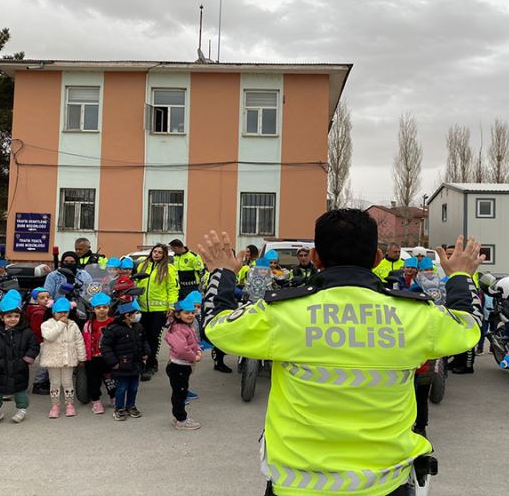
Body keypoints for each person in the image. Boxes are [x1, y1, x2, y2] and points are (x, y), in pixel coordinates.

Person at [198, 208, 484, 496]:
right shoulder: (416, 315)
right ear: (377, 259)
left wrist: (222, 272)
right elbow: (469, 327)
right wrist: (460, 275)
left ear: (315, 258)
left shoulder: (282, 313)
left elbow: (215, 326)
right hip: (385, 485)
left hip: (296, 486)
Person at [0, 290, 40, 424]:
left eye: (16, 316)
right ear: (2, 318)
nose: (12, 319)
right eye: (8, 316)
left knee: (20, 391)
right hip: (0, 368)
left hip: (19, 367)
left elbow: (34, 346)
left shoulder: (27, 332)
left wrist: (27, 358)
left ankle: (22, 410)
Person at [101, 300, 149, 421]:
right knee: (121, 388)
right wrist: (113, 362)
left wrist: (146, 353)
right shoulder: (113, 329)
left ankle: (131, 406)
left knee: (134, 387)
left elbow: (144, 341)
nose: (138, 315)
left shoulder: (138, 327)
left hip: (136, 364)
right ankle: (119, 408)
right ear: (127, 315)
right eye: (136, 313)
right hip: (121, 365)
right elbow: (106, 347)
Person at [136, 244, 179, 381]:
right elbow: (136, 284)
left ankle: (151, 364)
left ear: (164, 255)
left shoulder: (169, 269)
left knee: (153, 337)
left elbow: (172, 288)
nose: (156, 254)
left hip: (159, 310)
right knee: (142, 337)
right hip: (142, 308)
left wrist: (171, 307)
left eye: (160, 252)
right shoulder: (143, 265)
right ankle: (141, 363)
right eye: (155, 251)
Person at [40, 298, 86, 418]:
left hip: (68, 359)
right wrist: (61, 324)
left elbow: (79, 342)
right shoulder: (46, 324)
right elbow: (49, 336)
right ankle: (55, 405)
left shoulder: (73, 325)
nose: (63, 314)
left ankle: (69, 404)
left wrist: (82, 358)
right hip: (53, 360)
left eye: (65, 312)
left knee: (67, 382)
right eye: (59, 312)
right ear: (53, 312)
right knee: (54, 383)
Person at [164, 294, 203, 430]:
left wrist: (197, 350)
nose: (191, 315)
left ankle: (178, 417)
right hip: (178, 366)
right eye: (186, 313)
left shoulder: (186, 326)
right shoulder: (179, 329)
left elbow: (193, 342)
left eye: (192, 312)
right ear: (178, 314)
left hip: (182, 365)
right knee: (180, 394)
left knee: (180, 392)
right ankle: (181, 419)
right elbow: (181, 349)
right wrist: (194, 357)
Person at [83, 292, 115, 414]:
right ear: (93, 309)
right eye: (98, 308)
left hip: (109, 358)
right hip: (93, 358)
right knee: (93, 381)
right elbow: (85, 341)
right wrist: (84, 357)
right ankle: (96, 401)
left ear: (108, 308)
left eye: (104, 307)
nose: (102, 310)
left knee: (111, 379)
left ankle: (114, 397)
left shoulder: (113, 323)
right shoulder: (89, 325)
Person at [27, 287, 51, 395]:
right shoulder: (39, 313)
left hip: (40, 340)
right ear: (36, 300)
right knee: (45, 362)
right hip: (41, 341)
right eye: (42, 298)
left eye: (47, 297)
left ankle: (44, 381)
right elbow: (37, 329)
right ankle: (38, 383)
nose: (46, 299)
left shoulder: (41, 310)